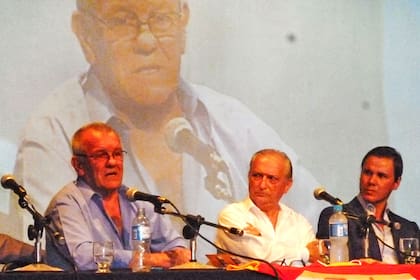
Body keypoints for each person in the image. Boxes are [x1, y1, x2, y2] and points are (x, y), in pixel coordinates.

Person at [12, 0, 320, 261]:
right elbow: (79, 255)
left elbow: (176, 245)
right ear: (86, 36)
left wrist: (175, 253)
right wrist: (150, 258)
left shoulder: (231, 120)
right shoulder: (53, 134)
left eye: (160, 18)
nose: (146, 41)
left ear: (183, 23)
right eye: (122, 21)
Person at [45, 122, 190, 270]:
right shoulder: (67, 203)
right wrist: (144, 259)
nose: (112, 162)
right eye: (101, 155)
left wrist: (178, 254)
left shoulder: (138, 202)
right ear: (79, 165)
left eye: (117, 154)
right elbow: (83, 255)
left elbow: (175, 247)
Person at [215, 149, 320, 265]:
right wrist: (304, 253)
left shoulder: (300, 223)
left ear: (287, 186)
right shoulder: (232, 215)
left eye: (272, 179)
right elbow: (257, 255)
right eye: (257, 176)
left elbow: (312, 265)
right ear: (249, 177)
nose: (262, 185)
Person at [316, 146, 420, 264]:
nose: (371, 181)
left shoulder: (409, 229)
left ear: (396, 183)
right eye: (367, 173)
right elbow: (330, 266)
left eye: (381, 176)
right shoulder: (338, 218)